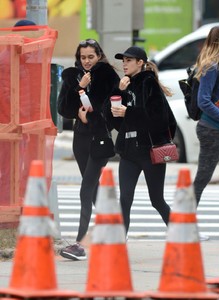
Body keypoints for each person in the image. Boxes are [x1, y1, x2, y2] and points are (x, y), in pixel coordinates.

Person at [57, 39, 120, 260]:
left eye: (91, 57)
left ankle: (80, 244)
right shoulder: (72, 75)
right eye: (83, 57)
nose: (86, 61)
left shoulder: (108, 76)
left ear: (99, 56)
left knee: (86, 190)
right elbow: (62, 107)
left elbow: (113, 106)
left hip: (99, 139)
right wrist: (78, 94)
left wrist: (90, 115)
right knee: (93, 189)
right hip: (80, 140)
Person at [105, 46, 177, 236]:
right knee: (125, 200)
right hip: (128, 153)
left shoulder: (149, 83)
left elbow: (158, 118)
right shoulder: (125, 84)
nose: (124, 64)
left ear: (140, 63)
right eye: (123, 61)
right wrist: (117, 91)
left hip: (150, 152)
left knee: (157, 200)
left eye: (129, 60)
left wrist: (128, 112)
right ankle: (119, 243)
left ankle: (182, 234)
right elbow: (111, 117)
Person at [193, 26, 219, 206]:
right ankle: (182, 220)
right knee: (202, 178)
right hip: (212, 130)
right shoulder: (210, 66)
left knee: (202, 178)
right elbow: (203, 101)